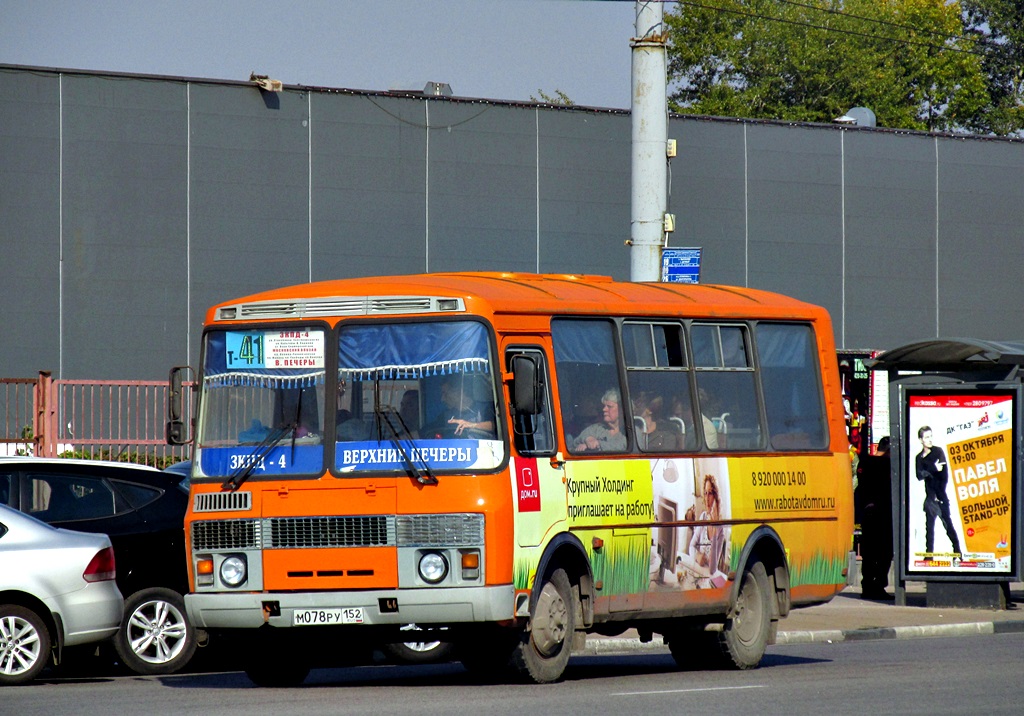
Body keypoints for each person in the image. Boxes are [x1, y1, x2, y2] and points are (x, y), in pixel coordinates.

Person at [915, 426, 962, 556]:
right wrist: (932, 469)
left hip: (940, 497)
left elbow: (943, 474)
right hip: (930, 498)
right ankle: (928, 556)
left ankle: (957, 552)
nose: (930, 440)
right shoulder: (919, 457)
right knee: (929, 530)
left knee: (948, 526)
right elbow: (919, 475)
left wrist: (928, 472)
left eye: (931, 436)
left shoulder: (938, 452)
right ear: (921, 440)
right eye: (926, 437)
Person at [857, 437, 893, 600]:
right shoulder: (887, 466)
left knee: (869, 551)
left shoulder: (864, 462)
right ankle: (878, 585)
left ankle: (867, 585)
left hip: (867, 512)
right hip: (883, 513)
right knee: (884, 552)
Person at [688, 473, 728, 587]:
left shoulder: (720, 529)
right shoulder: (703, 517)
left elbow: (712, 569)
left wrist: (714, 529)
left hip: (709, 579)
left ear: (715, 497)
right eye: (705, 493)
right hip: (698, 572)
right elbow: (691, 546)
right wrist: (697, 556)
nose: (706, 498)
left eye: (710, 493)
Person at [424, 375, 495, 437]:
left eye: (445, 393)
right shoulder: (446, 417)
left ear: (460, 391)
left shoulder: (485, 409)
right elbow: (425, 431)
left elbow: (497, 426)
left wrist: (472, 425)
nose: (442, 399)